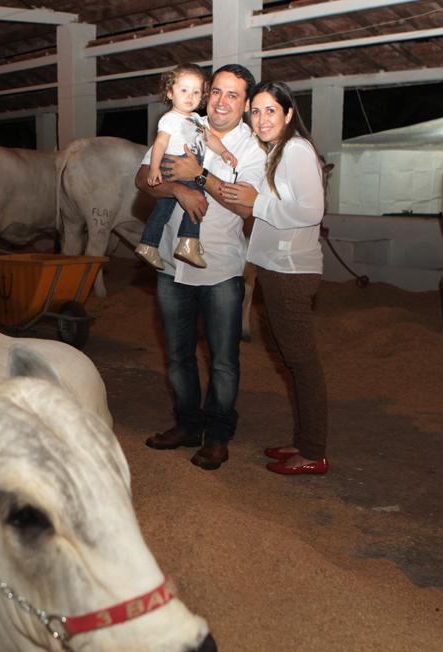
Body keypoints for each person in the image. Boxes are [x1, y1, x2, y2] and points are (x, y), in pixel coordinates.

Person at [135, 64, 266, 471]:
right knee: (177, 356)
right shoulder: (184, 122)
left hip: (221, 267)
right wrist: (176, 188)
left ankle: (219, 435)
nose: (222, 101)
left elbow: (245, 204)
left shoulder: (251, 148)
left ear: (244, 105)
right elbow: (143, 177)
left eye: (233, 95)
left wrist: (200, 176)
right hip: (172, 264)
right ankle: (188, 425)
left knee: (223, 360)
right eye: (218, 92)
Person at [217, 80, 329, 475]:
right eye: (257, 111)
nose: (261, 119)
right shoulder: (277, 152)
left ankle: (314, 452)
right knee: (293, 363)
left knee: (303, 364)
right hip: (277, 268)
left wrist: (256, 202)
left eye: (270, 110)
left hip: (292, 271)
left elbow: (311, 211)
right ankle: (303, 441)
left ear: (288, 114)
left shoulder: (296, 150)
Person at [136, 64, 239, 271]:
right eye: (184, 90)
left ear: (202, 96)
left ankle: (149, 244)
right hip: (174, 163)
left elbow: (209, 139)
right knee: (198, 200)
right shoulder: (170, 118)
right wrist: (155, 168)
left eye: (196, 92)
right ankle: (188, 242)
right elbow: (160, 144)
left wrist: (224, 152)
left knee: (162, 210)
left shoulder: (194, 119)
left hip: (186, 165)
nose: (190, 96)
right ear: (170, 92)